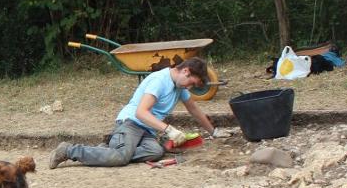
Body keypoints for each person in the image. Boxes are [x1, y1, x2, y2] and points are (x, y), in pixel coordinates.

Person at [48, 57, 222, 168]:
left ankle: (107, 150)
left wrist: (214, 132)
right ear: (185, 71)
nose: (189, 87)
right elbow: (141, 113)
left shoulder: (178, 86)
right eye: (191, 83)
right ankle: (68, 150)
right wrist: (168, 129)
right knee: (121, 157)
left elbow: (193, 109)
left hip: (147, 130)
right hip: (131, 123)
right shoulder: (159, 81)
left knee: (155, 152)